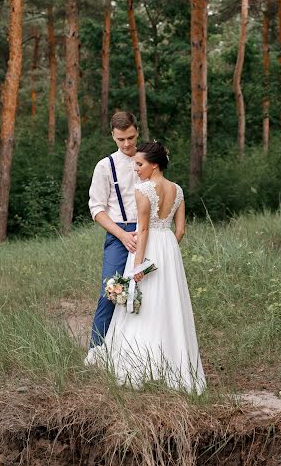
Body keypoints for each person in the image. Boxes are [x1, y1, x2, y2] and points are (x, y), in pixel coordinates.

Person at [86, 141, 206, 394]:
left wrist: (139, 264)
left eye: (139, 164)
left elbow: (143, 229)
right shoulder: (178, 190)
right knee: (168, 304)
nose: (136, 169)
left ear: (153, 165)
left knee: (142, 306)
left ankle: (140, 364)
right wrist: (168, 251)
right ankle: (173, 363)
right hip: (168, 250)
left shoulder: (144, 190)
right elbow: (181, 229)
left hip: (147, 247)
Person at [88, 111, 139, 347]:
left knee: (148, 291)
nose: (127, 144)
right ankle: (96, 350)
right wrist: (121, 234)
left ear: (136, 130)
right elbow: (97, 208)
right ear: (113, 136)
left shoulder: (148, 159)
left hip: (148, 233)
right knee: (111, 291)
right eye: (121, 139)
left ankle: (138, 348)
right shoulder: (104, 166)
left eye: (130, 137)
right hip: (118, 234)